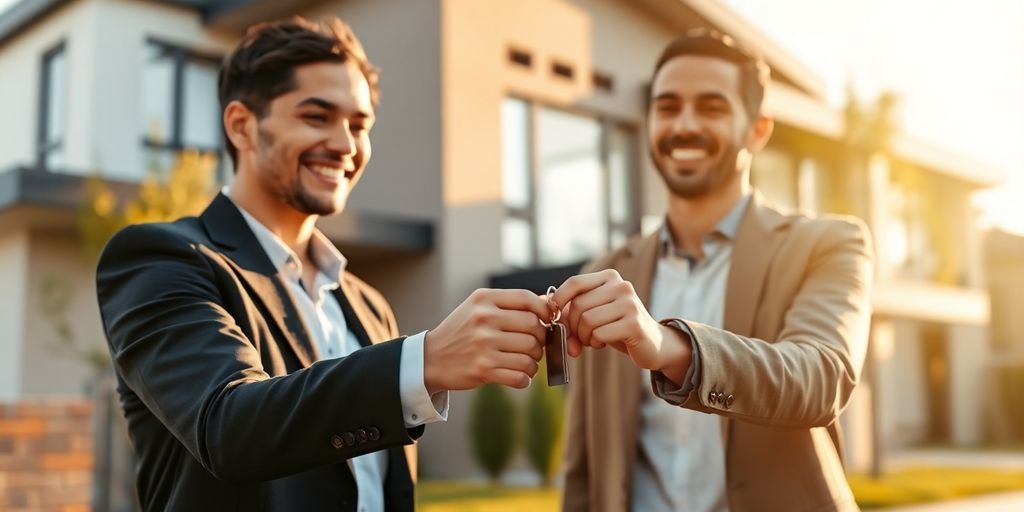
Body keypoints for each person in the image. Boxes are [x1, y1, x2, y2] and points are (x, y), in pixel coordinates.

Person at [96, 16, 550, 511]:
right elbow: (227, 425)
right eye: (317, 117)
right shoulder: (160, 259)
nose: (346, 145)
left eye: (359, 126)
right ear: (242, 125)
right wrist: (424, 361)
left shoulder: (370, 306)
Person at [555, 29, 874, 512]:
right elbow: (583, 468)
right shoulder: (606, 274)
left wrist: (673, 348)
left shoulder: (828, 245)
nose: (684, 125)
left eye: (711, 107)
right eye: (667, 107)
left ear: (757, 130)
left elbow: (820, 378)